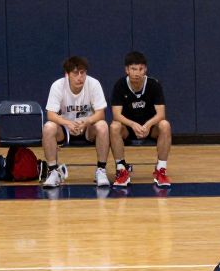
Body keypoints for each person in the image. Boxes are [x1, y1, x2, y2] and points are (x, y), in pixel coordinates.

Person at [42, 56, 110, 188]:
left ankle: (101, 170)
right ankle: (53, 171)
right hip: (65, 130)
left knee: (102, 125)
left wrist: (87, 122)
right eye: (75, 73)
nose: (80, 77)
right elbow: (50, 114)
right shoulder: (57, 86)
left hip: (87, 128)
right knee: (48, 127)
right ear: (67, 75)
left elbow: (100, 113)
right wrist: (67, 123)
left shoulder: (93, 84)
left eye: (83, 72)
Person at [109, 51, 173, 188]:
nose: (137, 73)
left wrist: (148, 125)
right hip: (128, 128)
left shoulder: (153, 84)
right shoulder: (120, 85)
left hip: (148, 128)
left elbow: (161, 114)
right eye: (133, 69)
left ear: (145, 69)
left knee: (165, 125)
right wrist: (133, 125)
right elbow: (116, 115)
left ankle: (161, 170)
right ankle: (121, 170)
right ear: (127, 70)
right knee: (114, 126)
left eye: (140, 69)